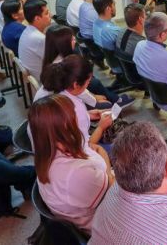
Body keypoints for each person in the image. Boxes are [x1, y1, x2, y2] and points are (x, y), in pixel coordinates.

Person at [29, 94, 114, 232]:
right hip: (103, 226)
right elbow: (114, 189)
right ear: (63, 127)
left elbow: (92, 147)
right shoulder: (75, 173)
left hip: (91, 204)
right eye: (73, 114)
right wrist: (107, 168)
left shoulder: (47, 152)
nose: (77, 117)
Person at [41, 25, 134, 108]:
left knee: (94, 82)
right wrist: (94, 99)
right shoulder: (62, 66)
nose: (74, 40)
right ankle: (116, 101)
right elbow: (77, 90)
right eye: (71, 39)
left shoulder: (51, 59)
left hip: (68, 98)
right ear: (62, 44)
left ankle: (114, 98)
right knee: (96, 84)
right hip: (70, 102)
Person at [36, 55, 113, 147]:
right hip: (69, 153)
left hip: (47, 147)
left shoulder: (57, 87)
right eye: (88, 81)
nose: (88, 84)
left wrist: (88, 114)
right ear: (76, 84)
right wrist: (101, 127)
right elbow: (85, 146)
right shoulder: (71, 107)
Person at [18, 0, 52, 80]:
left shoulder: (27, 31)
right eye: (47, 13)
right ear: (37, 18)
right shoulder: (39, 38)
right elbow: (58, 62)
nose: (50, 15)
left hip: (38, 77)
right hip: (47, 82)